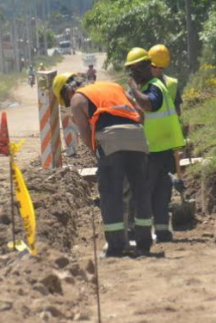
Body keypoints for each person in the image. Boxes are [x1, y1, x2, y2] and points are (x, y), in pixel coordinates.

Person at [52, 72, 154, 257]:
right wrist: (135, 137)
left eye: (66, 100)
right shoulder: (113, 87)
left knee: (111, 194)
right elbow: (140, 112)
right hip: (137, 134)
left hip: (110, 139)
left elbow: (84, 133)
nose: (69, 103)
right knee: (140, 191)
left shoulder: (77, 98)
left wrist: (98, 153)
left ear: (67, 91)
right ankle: (144, 242)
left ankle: (116, 246)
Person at [125, 47, 185, 243]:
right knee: (160, 191)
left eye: (133, 71)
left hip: (153, 150)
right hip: (160, 149)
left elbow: (149, 105)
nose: (132, 75)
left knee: (143, 192)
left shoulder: (154, 87)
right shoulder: (151, 85)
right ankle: (162, 231)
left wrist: (133, 88)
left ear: (144, 68)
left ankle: (137, 233)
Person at [149, 44, 186, 192]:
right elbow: (177, 111)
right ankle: (171, 182)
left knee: (157, 171)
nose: (157, 70)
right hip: (169, 135)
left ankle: (168, 184)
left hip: (152, 138)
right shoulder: (171, 83)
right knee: (166, 167)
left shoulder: (144, 85)